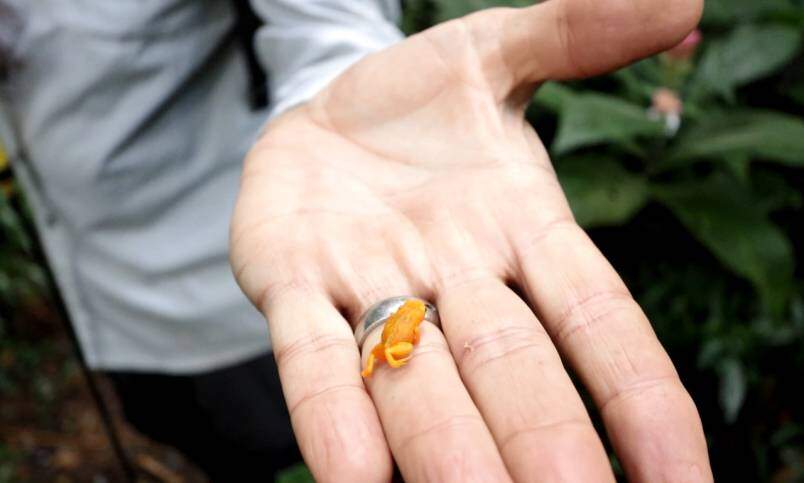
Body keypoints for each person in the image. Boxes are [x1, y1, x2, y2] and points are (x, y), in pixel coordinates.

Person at [0, 0, 714, 481]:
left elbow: (325, 19)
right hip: (117, 310)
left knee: (321, 439)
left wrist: (341, 78)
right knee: (202, 441)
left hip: (275, 292)